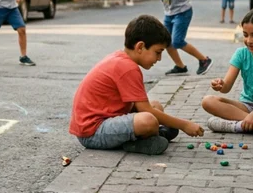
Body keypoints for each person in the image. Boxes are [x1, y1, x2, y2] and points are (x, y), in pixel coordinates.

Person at [70, 15, 204, 155]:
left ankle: (154, 135)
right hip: (92, 133)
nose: (159, 59)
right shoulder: (127, 67)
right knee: (149, 120)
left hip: (106, 121)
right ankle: (134, 143)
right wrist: (184, 125)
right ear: (140, 46)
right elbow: (147, 111)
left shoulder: (122, 59)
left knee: (156, 105)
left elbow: (146, 107)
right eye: (157, 52)